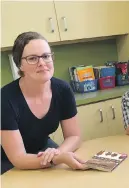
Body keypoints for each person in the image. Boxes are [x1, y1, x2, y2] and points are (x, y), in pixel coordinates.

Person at [1, 31, 87, 175]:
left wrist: (57, 153)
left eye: (46, 56)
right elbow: (18, 158)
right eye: (32, 58)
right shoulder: (4, 99)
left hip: (43, 150)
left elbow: (75, 136)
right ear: (19, 65)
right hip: (7, 161)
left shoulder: (63, 89)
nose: (42, 63)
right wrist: (56, 159)